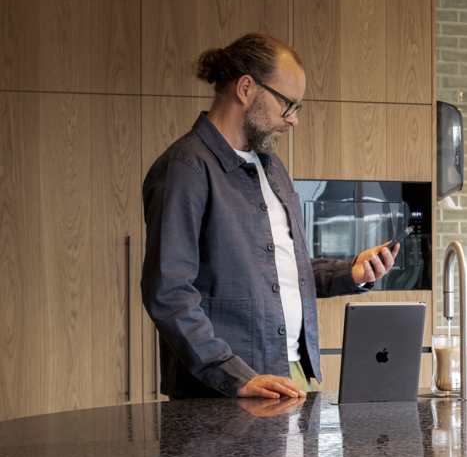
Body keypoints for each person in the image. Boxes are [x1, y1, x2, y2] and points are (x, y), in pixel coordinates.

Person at [142, 33, 398, 400]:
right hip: (225, 390)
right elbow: (168, 292)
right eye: (287, 104)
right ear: (246, 88)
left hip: (292, 374)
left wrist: (350, 272)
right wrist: (233, 375)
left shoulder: (272, 167)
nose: (293, 120)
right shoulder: (185, 168)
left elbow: (280, 270)